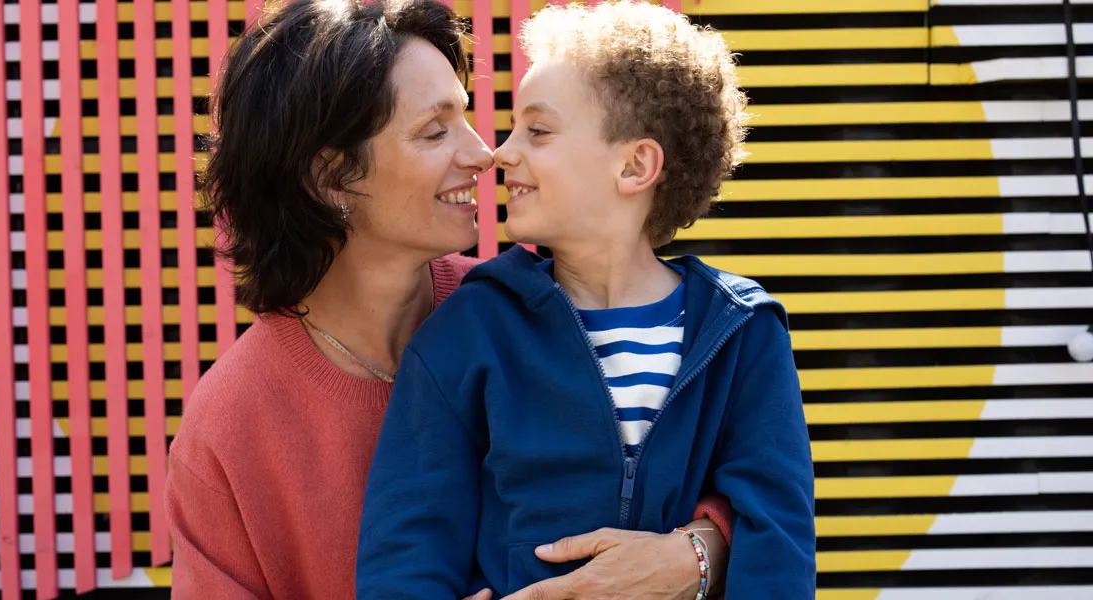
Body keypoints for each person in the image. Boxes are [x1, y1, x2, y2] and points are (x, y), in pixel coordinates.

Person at [164, 1, 733, 598]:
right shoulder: (227, 431)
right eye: (435, 131)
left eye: (465, 117)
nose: (486, 154)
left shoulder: (535, 305)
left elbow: (724, 474)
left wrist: (697, 553)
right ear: (331, 176)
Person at [355, 1, 816, 599]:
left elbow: (776, 540)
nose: (501, 153)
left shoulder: (742, 332)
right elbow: (404, 549)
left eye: (538, 131)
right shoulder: (469, 330)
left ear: (635, 165)